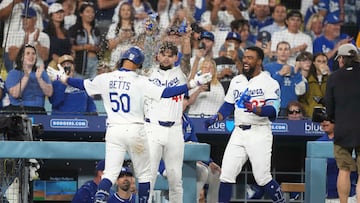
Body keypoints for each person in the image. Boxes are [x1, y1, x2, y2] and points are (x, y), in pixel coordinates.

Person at [57, 46, 211, 203]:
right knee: (145, 176)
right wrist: (193, 84)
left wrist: (64, 78)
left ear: (123, 59)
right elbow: (166, 93)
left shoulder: (106, 78)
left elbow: (82, 84)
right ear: (138, 64)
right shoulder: (140, 81)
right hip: (135, 131)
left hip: (113, 131)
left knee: (109, 174)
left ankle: (100, 197)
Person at [205, 46, 285, 203]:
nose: (246, 60)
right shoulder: (237, 80)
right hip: (238, 132)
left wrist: (256, 109)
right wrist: (216, 117)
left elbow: (273, 110)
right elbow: (228, 105)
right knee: (226, 175)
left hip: (259, 132)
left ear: (259, 61)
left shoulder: (269, 82)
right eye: (245, 57)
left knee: (263, 178)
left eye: (250, 58)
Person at [325, 43, 360, 203]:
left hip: (343, 128)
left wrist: (334, 119)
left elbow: (329, 107)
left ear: (341, 59)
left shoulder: (334, 77)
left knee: (344, 170)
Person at [4, 44, 53, 114]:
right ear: (21, 57)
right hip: (18, 111)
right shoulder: (13, 73)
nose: (31, 56)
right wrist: (26, 76)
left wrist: (39, 79)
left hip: (39, 110)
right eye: (28, 53)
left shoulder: (41, 73)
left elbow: (49, 93)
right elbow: (15, 94)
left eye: (33, 54)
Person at [317, 119, 357, 202]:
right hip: (326, 197)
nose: (324, 122)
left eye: (327, 120)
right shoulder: (317, 143)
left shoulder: (350, 142)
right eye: (322, 120)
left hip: (349, 196)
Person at [264, 41, 307, 116]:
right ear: (276, 52)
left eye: (286, 49)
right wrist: (280, 74)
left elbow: (301, 91)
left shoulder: (295, 69)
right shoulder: (267, 67)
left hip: (291, 111)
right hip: (274, 108)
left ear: (290, 53)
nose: (283, 52)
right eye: (280, 49)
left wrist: (296, 73)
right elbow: (266, 87)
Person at [68, 2, 101, 79]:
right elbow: (70, 46)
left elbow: (101, 48)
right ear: (81, 14)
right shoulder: (74, 29)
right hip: (80, 63)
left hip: (95, 62)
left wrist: (95, 48)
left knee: (93, 87)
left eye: (92, 12)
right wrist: (84, 47)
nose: (91, 14)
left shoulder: (96, 30)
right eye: (88, 11)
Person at [299, 53, 329, 117]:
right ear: (314, 63)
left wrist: (329, 75)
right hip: (311, 114)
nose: (321, 63)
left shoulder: (330, 79)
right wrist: (308, 110)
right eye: (319, 61)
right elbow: (302, 99)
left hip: (327, 114)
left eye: (324, 61)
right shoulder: (308, 79)